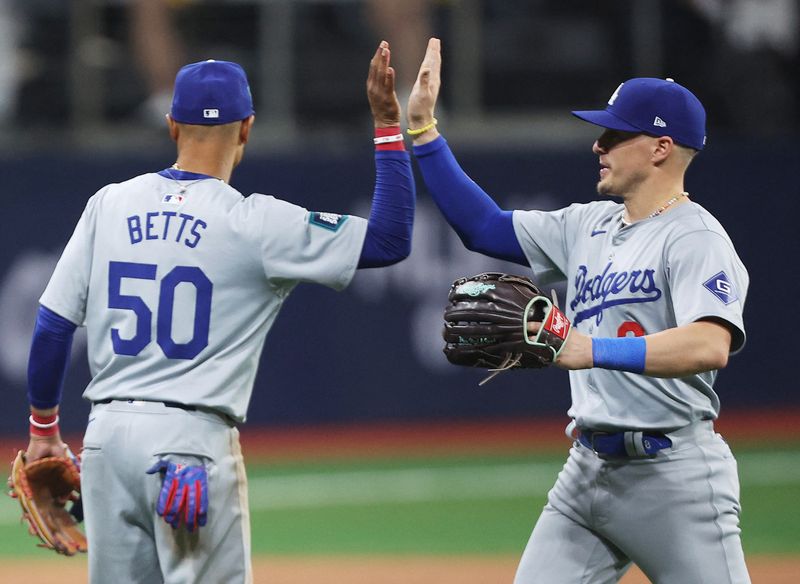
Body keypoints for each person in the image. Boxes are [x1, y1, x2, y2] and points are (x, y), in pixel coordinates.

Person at [20, 42, 414, 583]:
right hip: (190, 448)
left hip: (106, 442)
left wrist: (44, 429)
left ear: (171, 125)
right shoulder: (257, 223)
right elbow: (391, 239)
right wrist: (389, 124)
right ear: (247, 127)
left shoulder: (110, 202)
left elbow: (53, 324)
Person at [407, 38, 750, 583]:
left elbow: (709, 344)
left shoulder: (695, 238)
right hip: (586, 469)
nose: (598, 145)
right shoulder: (586, 225)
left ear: (660, 147)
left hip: (675, 476)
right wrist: (424, 133)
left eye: (614, 134)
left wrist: (588, 348)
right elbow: (483, 226)